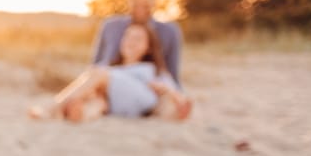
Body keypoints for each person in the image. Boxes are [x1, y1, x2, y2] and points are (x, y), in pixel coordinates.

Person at [31, 20, 191, 122]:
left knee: (97, 73)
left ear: (148, 47)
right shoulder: (115, 69)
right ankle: (81, 114)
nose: (131, 42)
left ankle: (52, 108)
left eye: (138, 38)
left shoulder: (150, 69)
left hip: (141, 98)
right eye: (128, 37)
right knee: (99, 102)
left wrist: (168, 91)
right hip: (116, 106)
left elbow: (176, 92)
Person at [94, 0, 185, 88]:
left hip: (149, 90)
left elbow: (172, 76)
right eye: (136, 4)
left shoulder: (169, 32)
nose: (140, 10)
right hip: (108, 87)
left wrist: (176, 95)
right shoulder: (110, 26)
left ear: (154, 1)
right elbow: (95, 66)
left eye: (146, 5)